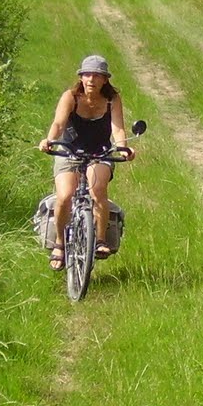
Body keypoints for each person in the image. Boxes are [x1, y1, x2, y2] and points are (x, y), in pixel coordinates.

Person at [38, 55, 133, 267]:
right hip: (69, 150)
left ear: (105, 80)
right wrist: (50, 140)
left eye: (97, 76)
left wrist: (123, 147)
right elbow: (59, 124)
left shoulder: (112, 99)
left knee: (98, 188)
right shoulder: (71, 97)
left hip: (100, 151)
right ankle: (60, 244)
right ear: (80, 77)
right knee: (65, 195)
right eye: (87, 74)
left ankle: (99, 240)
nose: (91, 79)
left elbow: (118, 128)